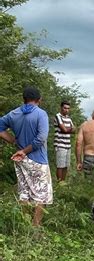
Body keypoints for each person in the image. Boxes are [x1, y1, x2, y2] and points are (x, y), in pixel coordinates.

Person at [0, 86, 53, 225]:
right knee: (41, 194)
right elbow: (41, 138)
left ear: (23, 99)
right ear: (39, 100)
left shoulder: (14, 114)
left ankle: (25, 225)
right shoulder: (41, 114)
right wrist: (25, 151)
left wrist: (13, 140)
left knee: (24, 191)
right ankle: (35, 227)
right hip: (37, 159)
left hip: (20, 159)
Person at [53, 100, 75, 181]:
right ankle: (59, 183)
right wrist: (67, 129)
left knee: (66, 165)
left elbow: (74, 129)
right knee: (60, 165)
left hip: (67, 144)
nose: (66, 110)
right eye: (65, 108)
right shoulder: (58, 116)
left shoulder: (68, 118)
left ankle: (63, 182)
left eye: (68, 108)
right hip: (60, 144)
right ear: (61, 108)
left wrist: (66, 129)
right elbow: (65, 130)